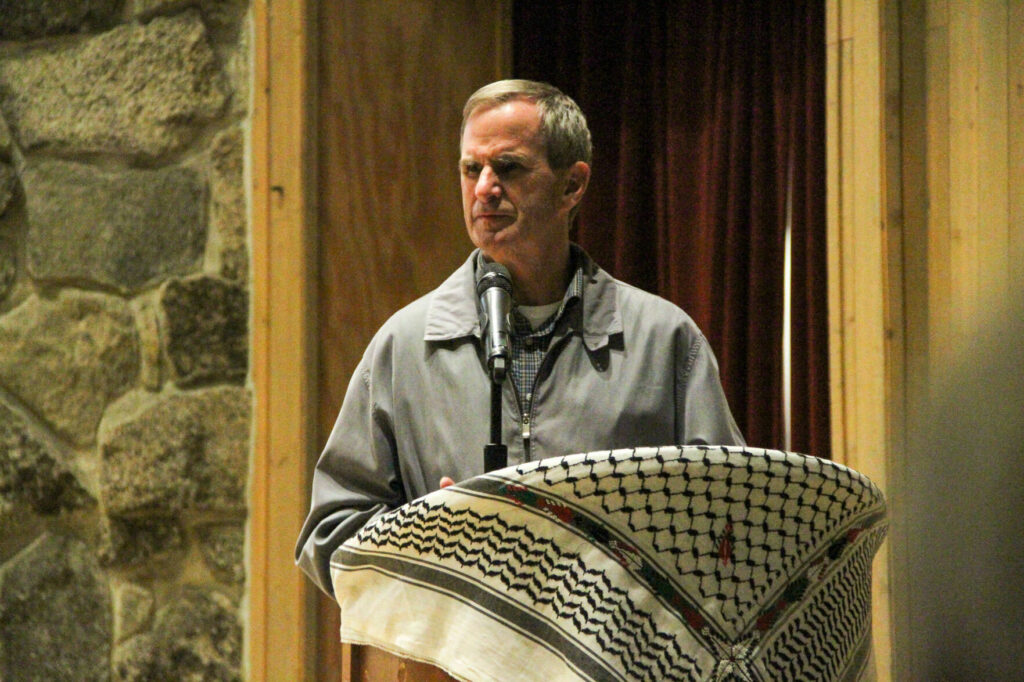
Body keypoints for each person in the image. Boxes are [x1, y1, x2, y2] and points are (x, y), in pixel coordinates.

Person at [296, 79, 744, 596]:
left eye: (508, 167)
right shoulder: (405, 345)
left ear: (572, 186)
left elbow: (726, 523)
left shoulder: (662, 341)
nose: (484, 187)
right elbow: (329, 537)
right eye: (471, 169)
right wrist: (425, 536)